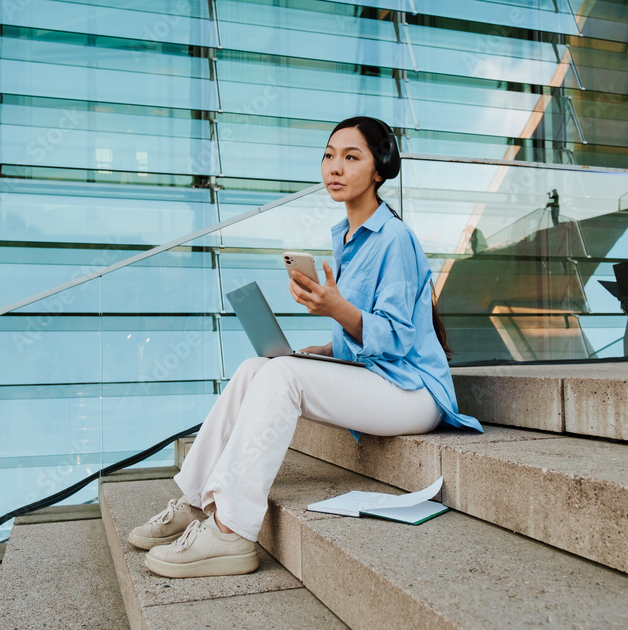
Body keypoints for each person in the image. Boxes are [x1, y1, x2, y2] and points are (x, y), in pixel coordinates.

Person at [127, 116, 483, 578]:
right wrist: (324, 350)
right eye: (329, 155)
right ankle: (195, 500)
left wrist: (337, 309)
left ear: (380, 170)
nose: (335, 166)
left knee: (281, 375)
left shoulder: (394, 239)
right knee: (259, 367)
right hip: (381, 379)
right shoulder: (348, 239)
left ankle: (231, 532)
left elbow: (397, 338)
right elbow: (362, 339)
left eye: (352, 157)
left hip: (415, 393)